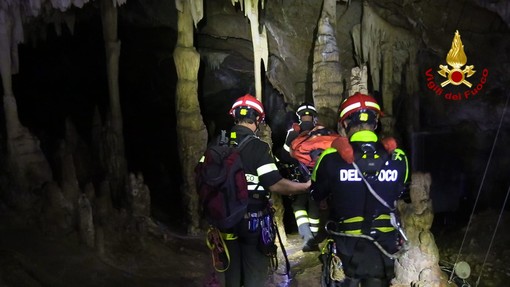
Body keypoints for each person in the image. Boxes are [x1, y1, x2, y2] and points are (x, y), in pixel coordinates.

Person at [310, 93, 409, 287]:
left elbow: (316, 194)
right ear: (376, 122)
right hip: (385, 246)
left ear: (345, 123)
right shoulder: (398, 157)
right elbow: (401, 193)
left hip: (347, 246)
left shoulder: (330, 157)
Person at [221, 94, 311, 287]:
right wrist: (304, 186)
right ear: (258, 119)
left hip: (225, 219)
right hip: (251, 219)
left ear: (235, 116)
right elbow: (275, 183)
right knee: (255, 271)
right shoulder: (258, 147)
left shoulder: (219, 144)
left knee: (231, 272)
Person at [278, 102, 322, 251]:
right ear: (314, 117)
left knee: (298, 205)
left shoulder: (293, 132)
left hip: (299, 177)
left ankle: (306, 235)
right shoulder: (321, 131)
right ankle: (315, 236)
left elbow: (285, 155)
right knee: (314, 204)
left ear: (299, 116)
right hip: (317, 176)